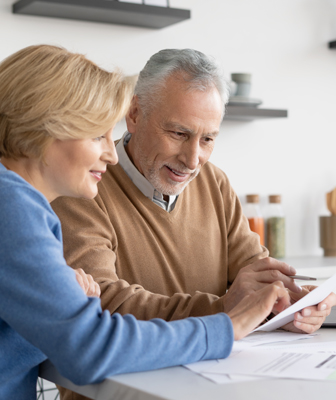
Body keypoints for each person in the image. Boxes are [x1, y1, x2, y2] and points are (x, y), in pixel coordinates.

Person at [0, 44, 294, 400]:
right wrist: (225, 326)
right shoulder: (13, 205)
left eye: (208, 139)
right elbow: (89, 347)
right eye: (97, 135)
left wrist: (286, 302)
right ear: (45, 129)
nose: (109, 153)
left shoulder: (19, 202)